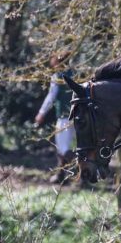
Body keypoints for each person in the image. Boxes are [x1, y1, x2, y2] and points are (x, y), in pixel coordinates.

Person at [35, 51, 75, 183]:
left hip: (64, 116)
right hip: (77, 116)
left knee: (63, 148)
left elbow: (51, 97)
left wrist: (41, 113)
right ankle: (63, 175)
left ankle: (68, 175)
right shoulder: (76, 75)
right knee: (71, 146)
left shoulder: (58, 77)